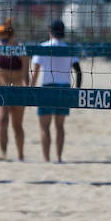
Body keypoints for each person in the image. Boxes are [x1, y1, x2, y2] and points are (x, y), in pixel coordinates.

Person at [28, 19, 82, 163]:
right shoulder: (69, 48)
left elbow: (35, 72)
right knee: (60, 126)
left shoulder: (43, 47)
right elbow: (78, 71)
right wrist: (77, 90)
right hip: (64, 89)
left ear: (50, 31)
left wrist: (29, 91)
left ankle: (46, 159)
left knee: (44, 126)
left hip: (47, 88)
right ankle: (58, 158)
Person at [0, 21, 29, 161]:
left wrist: (26, 91)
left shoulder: (21, 49)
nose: (1, 38)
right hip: (0, 88)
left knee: (17, 125)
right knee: (3, 121)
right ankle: (3, 154)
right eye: (0, 35)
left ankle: (21, 156)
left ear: (11, 35)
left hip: (17, 88)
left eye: (4, 35)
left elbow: (25, 75)